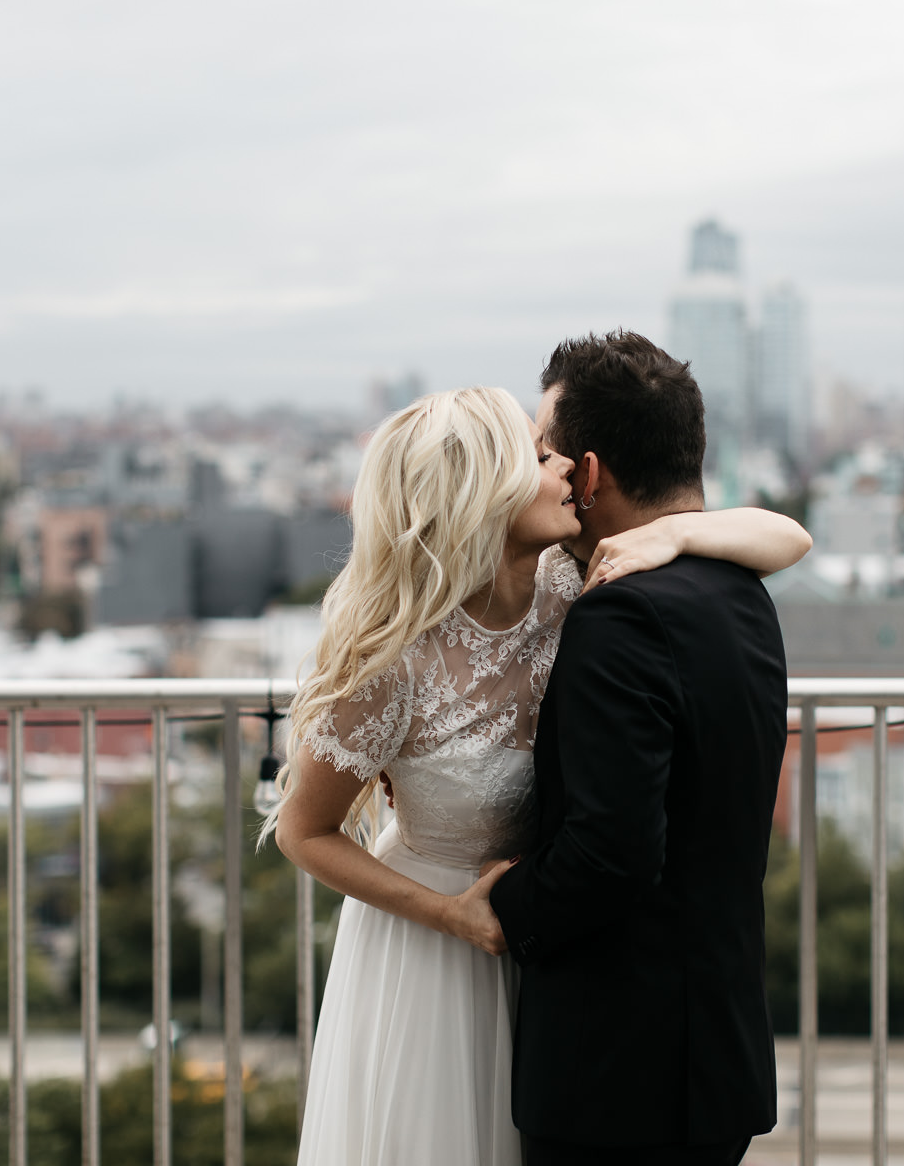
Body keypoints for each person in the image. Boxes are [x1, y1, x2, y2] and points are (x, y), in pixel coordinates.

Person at [269, 380, 809, 1166]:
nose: (565, 471)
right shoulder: (394, 660)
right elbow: (303, 832)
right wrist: (454, 915)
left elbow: (787, 536)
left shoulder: (572, 582)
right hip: (440, 946)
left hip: (551, 939)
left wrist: (674, 539)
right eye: (536, 455)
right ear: (478, 494)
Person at [483, 332, 790, 1166]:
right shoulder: (739, 587)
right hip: (713, 1056)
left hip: (619, 1080)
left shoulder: (619, 615)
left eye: (546, 453)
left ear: (586, 475)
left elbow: (613, 852)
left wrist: (502, 905)